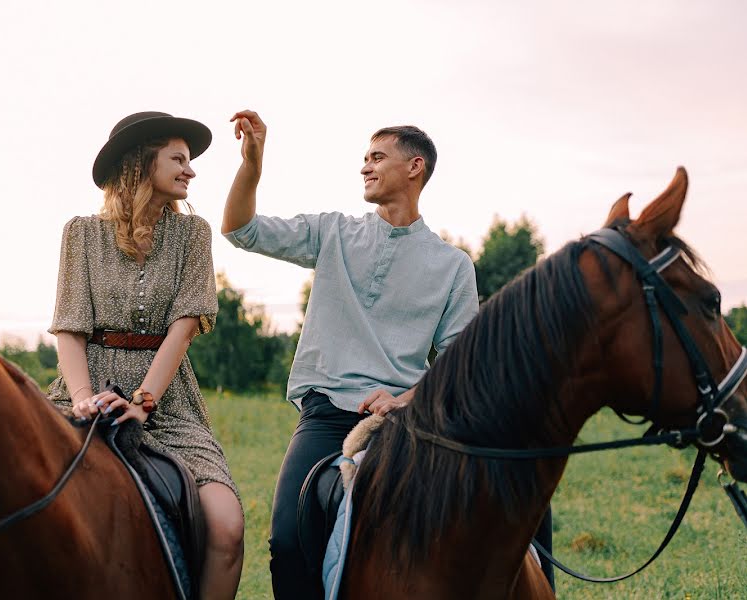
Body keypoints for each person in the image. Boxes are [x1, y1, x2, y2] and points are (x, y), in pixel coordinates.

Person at [221, 110, 480, 599]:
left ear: (415, 167)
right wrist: (252, 161)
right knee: (289, 541)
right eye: (364, 157)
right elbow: (240, 228)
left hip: (409, 422)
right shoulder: (331, 232)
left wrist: (406, 398)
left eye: (377, 157)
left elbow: (457, 362)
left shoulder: (453, 266)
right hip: (328, 414)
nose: (365, 166)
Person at [47, 111, 243, 600]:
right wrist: (83, 399)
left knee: (226, 526)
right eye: (178, 159)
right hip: (84, 387)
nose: (190, 171)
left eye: (190, 161)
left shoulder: (191, 236)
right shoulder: (81, 234)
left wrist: (143, 402)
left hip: (168, 402)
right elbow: (70, 329)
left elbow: (183, 330)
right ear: (140, 163)